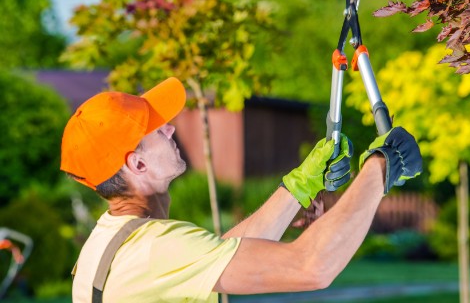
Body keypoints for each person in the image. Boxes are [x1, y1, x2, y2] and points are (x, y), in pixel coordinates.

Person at [61, 77, 422, 303]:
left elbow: (220, 255)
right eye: (157, 129)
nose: (170, 130)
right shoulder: (155, 248)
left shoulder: (113, 241)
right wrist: (382, 166)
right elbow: (312, 267)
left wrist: (302, 183)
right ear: (137, 165)